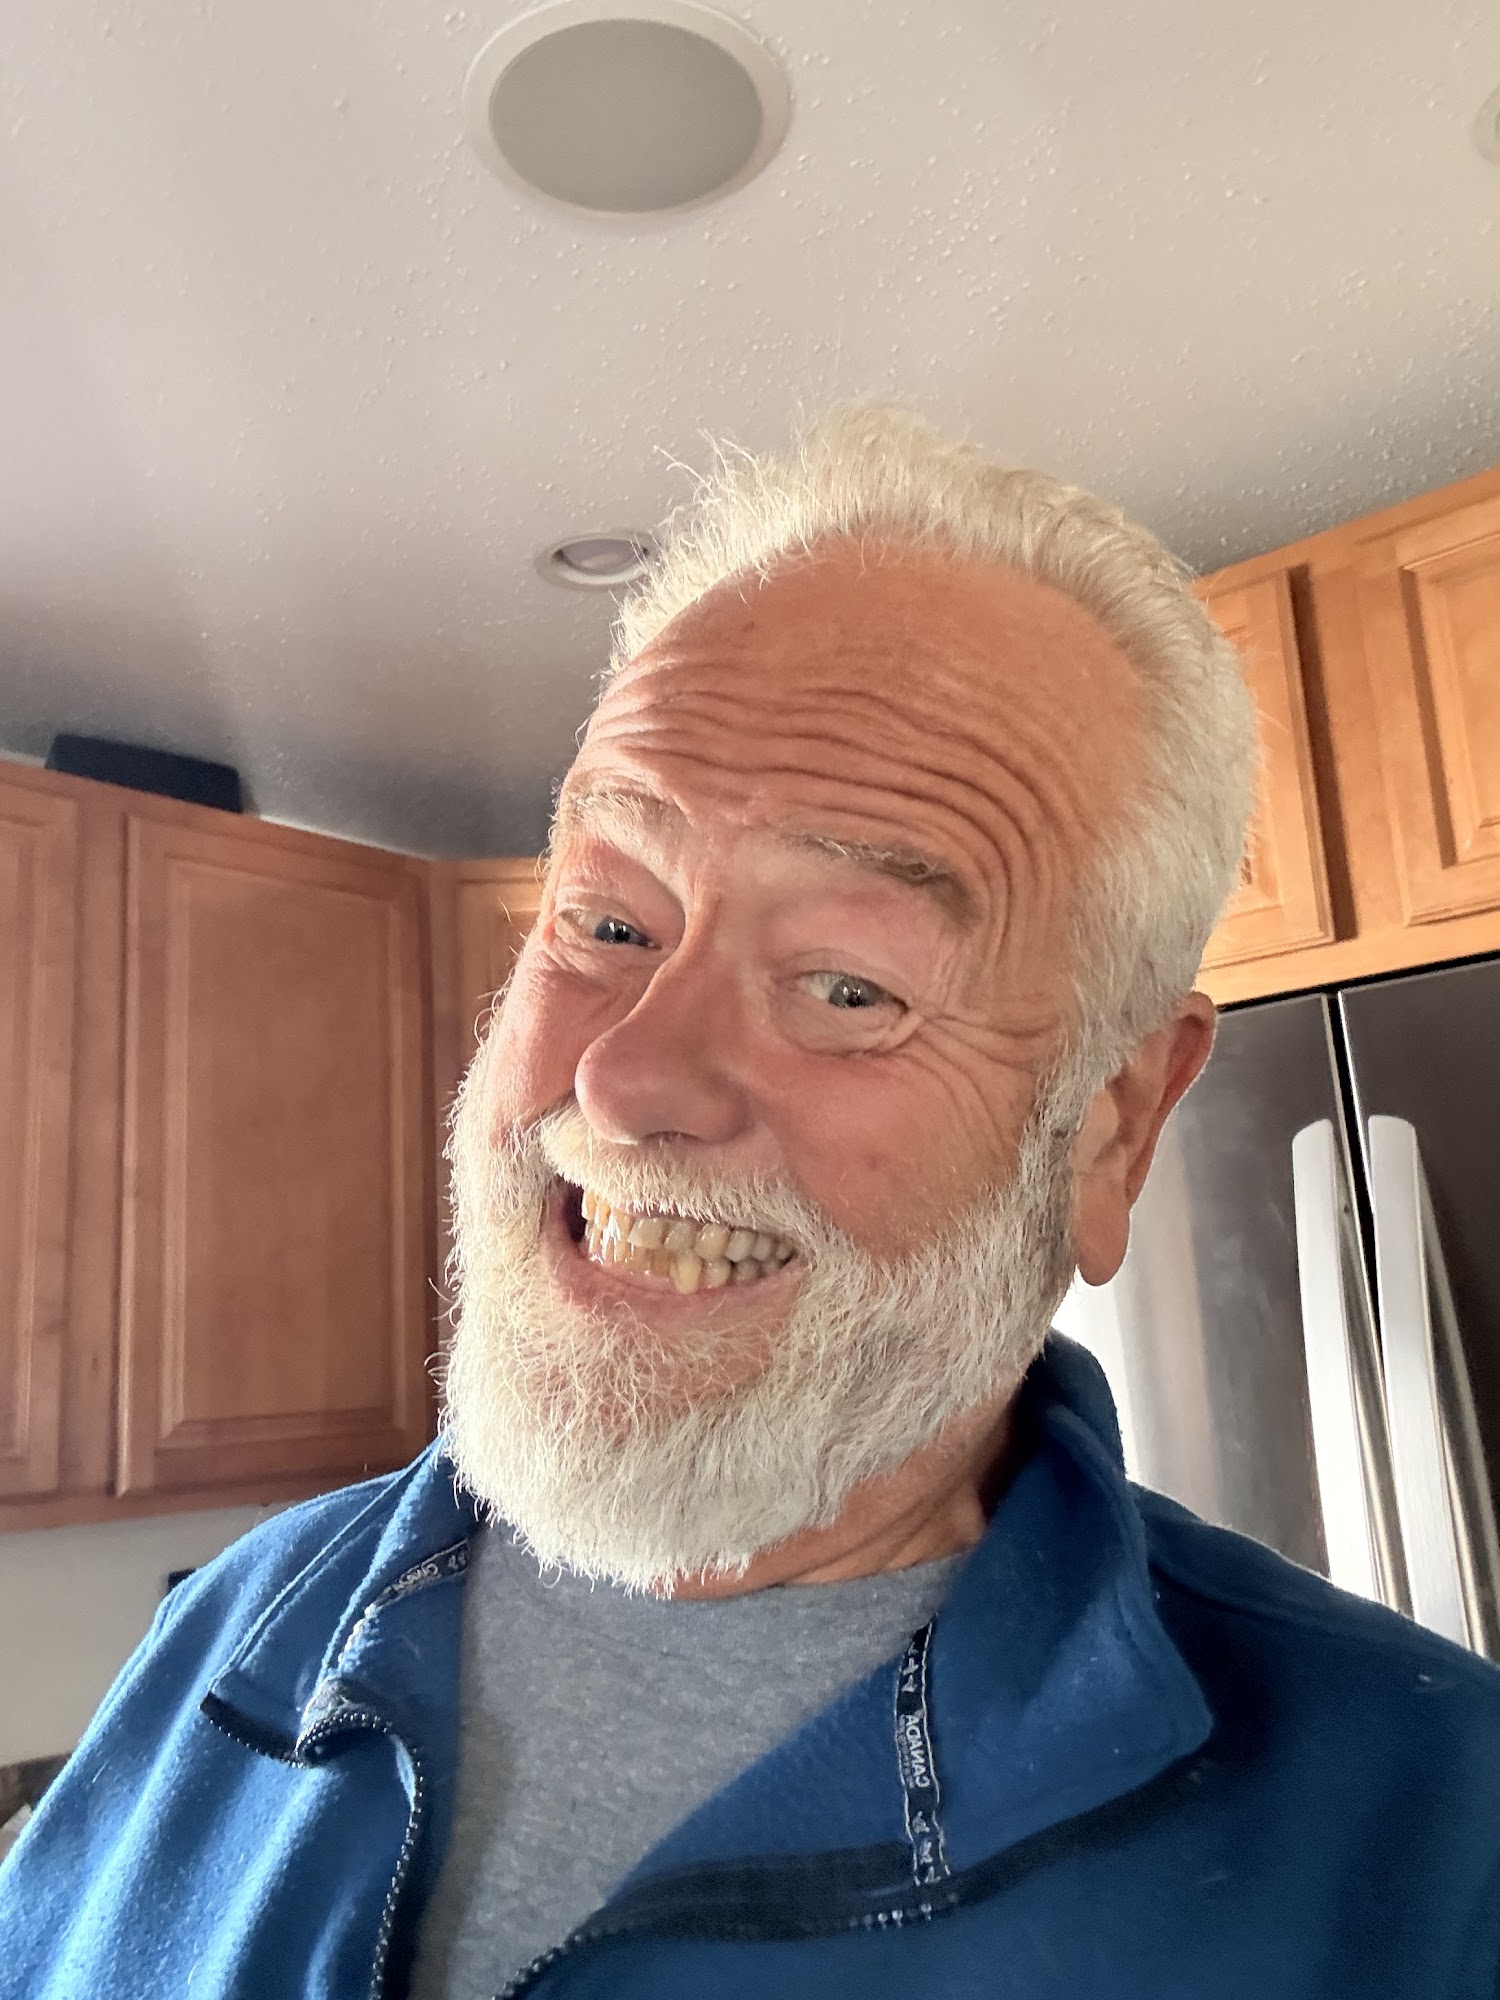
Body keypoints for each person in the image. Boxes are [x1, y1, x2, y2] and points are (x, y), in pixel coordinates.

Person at [3, 407, 1498, 2000]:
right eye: (608, 923)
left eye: (849, 986)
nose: (627, 1081)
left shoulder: (1432, 1856)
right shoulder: (230, 1638)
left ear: (1110, 1128)